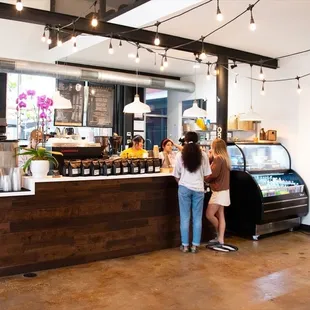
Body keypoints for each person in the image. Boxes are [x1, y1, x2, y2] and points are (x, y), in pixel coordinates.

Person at [173, 131, 211, 253]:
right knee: (197, 218)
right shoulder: (203, 155)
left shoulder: (180, 155)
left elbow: (176, 174)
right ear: (197, 141)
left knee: (185, 217)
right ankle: (195, 245)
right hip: (199, 189)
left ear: (185, 140)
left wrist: (181, 182)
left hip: (184, 187)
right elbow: (207, 175)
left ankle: (184, 245)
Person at [205, 138, 231, 246]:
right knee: (221, 215)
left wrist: (205, 178)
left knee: (209, 214)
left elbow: (213, 174)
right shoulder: (226, 159)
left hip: (218, 191)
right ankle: (220, 239)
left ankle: (219, 234)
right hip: (225, 190)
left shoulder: (218, 159)